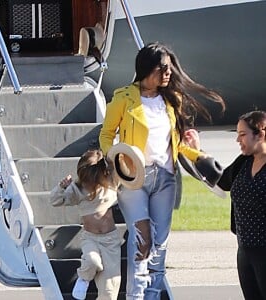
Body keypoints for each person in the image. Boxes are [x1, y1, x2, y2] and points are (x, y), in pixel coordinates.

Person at [99, 42, 226, 299]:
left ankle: (153, 295)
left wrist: (199, 155)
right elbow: (106, 134)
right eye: (163, 68)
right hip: (134, 179)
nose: (168, 73)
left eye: (169, 68)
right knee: (141, 241)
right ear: (147, 68)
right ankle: (136, 296)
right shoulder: (123, 98)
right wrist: (117, 160)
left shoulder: (171, 100)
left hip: (165, 178)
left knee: (160, 245)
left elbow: (176, 144)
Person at [49, 149, 122, 300]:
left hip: (111, 241)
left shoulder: (110, 183)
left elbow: (126, 172)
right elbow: (55, 200)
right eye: (87, 180)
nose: (91, 184)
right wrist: (62, 187)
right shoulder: (77, 190)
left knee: (110, 287)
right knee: (91, 261)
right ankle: (83, 279)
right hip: (91, 239)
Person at [216, 110, 266, 300]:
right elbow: (219, 181)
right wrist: (196, 152)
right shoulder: (243, 162)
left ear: (260, 134)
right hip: (245, 251)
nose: (238, 140)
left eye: (243, 134)